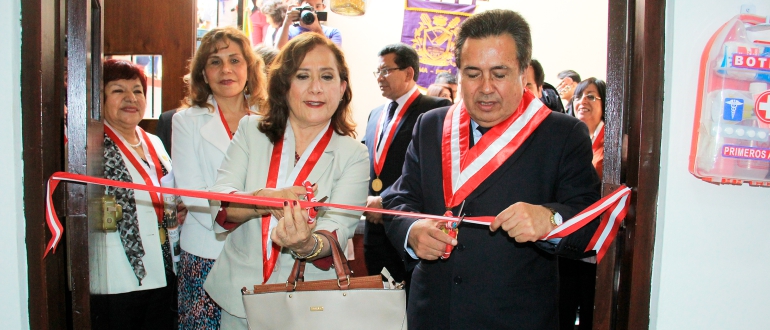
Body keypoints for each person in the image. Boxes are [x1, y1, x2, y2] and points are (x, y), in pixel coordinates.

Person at [381, 10, 601, 329]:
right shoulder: (430, 126)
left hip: (516, 318)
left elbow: (590, 221)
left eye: (499, 73)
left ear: (523, 72)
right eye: (473, 73)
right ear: (458, 73)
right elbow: (400, 200)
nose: (485, 88)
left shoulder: (562, 134)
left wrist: (550, 219)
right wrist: (412, 231)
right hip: (432, 314)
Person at [203, 32, 368, 329]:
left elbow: (337, 232)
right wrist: (264, 200)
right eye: (303, 75)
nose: (316, 88)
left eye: (327, 77)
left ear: (342, 88)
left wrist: (306, 245)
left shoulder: (354, 154)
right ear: (284, 85)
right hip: (240, 296)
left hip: (309, 304)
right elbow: (220, 201)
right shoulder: (251, 131)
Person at [172, 27, 267, 329]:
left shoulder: (269, 119)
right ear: (203, 73)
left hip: (259, 253)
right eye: (215, 61)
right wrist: (248, 211)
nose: (226, 69)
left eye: (235, 60)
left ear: (249, 68)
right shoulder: (186, 120)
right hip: (207, 253)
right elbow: (194, 195)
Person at [90, 59, 176, 329]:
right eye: (118, 90)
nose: (131, 98)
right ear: (100, 97)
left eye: (137, 90)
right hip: (118, 269)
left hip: (163, 261)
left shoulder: (154, 141)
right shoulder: (91, 145)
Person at [363, 44, 452, 289]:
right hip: (374, 228)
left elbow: (435, 170)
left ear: (409, 73)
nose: (380, 78)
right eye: (377, 72)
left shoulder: (436, 108)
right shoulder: (375, 114)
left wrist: (387, 201)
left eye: (386, 71)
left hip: (410, 228)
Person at [276, 0, 341, 49]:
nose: (313, 10)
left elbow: (335, 56)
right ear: (299, 6)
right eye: (309, 6)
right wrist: (286, 23)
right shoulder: (287, 31)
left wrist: (317, 29)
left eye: (318, 6)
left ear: (323, 7)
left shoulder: (333, 32)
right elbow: (278, 52)